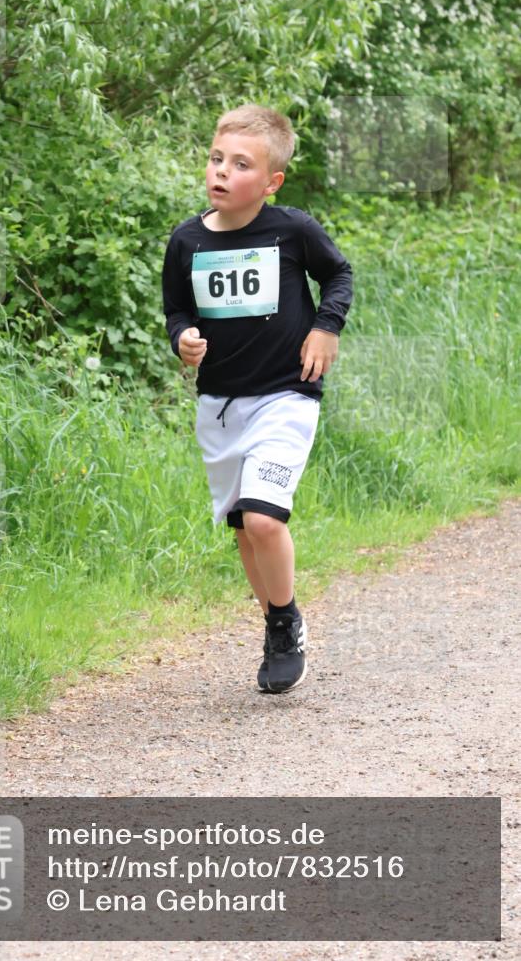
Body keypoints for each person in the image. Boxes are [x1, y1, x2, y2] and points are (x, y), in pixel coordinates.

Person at [162, 104, 353, 694]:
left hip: (287, 397)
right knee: (245, 526)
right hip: (220, 406)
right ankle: (274, 620)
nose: (222, 171)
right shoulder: (187, 240)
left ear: (271, 182)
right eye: (217, 158)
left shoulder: (292, 230)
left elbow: (339, 275)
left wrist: (326, 326)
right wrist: (182, 340)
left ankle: (286, 618)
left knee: (266, 519)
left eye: (240, 164)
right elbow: (178, 309)